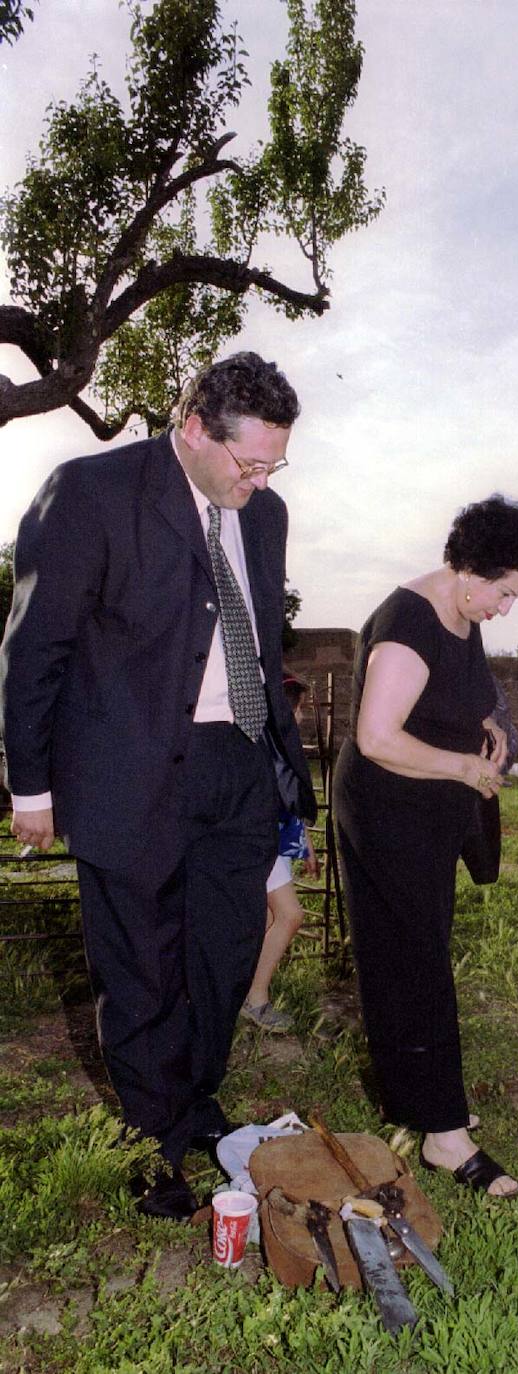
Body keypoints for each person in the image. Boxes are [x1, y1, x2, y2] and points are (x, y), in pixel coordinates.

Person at [0, 352, 315, 1220]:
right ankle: (151, 1143)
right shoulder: (94, 493)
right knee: (139, 968)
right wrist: (30, 785)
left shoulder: (266, 513)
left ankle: (196, 1100)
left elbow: (258, 643)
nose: (257, 482)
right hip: (126, 771)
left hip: (238, 765)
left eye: (272, 465)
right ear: (191, 429)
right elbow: (35, 647)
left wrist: (277, 764)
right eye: (246, 463)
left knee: (219, 956)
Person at [333, 494, 518, 1197]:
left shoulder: (462, 608)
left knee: (413, 955)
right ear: (470, 567)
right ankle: (443, 1135)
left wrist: (486, 719)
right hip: (388, 809)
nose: (506, 609)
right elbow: (377, 739)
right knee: (414, 962)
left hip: (425, 812)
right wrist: (464, 766)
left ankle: (420, 1101)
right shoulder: (407, 625)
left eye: (516, 596)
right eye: (505, 592)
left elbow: (463, 686)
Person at [240, 677, 320, 1032]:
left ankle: (245, 991)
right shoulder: (271, 745)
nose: (302, 717)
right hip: (264, 841)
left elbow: (291, 805)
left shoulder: (276, 743)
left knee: (269, 919)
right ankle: (255, 998)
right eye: (301, 708)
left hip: (277, 841)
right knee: (290, 916)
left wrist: (307, 847)